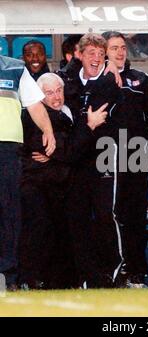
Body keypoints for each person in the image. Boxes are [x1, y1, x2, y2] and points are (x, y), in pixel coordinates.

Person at [19, 73, 108, 289]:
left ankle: (62, 282)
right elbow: (68, 151)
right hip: (38, 188)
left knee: (63, 239)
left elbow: (67, 153)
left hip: (62, 189)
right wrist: (89, 126)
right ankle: (30, 281)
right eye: (49, 93)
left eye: (58, 90)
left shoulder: (70, 113)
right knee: (39, 235)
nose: (56, 97)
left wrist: (58, 157)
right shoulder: (34, 117)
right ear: (39, 96)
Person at [57, 33, 125, 288]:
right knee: (78, 216)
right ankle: (87, 275)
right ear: (80, 55)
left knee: (106, 214)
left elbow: (97, 119)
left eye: (100, 54)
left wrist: (84, 126)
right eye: (91, 54)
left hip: (104, 155)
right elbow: (84, 120)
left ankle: (113, 271)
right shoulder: (69, 81)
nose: (96, 58)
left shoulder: (109, 83)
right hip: (77, 157)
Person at [102, 31, 148, 287]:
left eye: (122, 47)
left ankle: (136, 271)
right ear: (104, 51)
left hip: (137, 156)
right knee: (110, 215)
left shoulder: (142, 81)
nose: (119, 52)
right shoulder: (97, 81)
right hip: (105, 157)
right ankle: (113, 270)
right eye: (114, 47)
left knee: (136, 216)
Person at [0, 54, 55, 289]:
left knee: (9, 213)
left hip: (8, 148)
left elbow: (33, 104)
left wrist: (48, 129)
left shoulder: (14, 68)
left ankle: (7, 276)